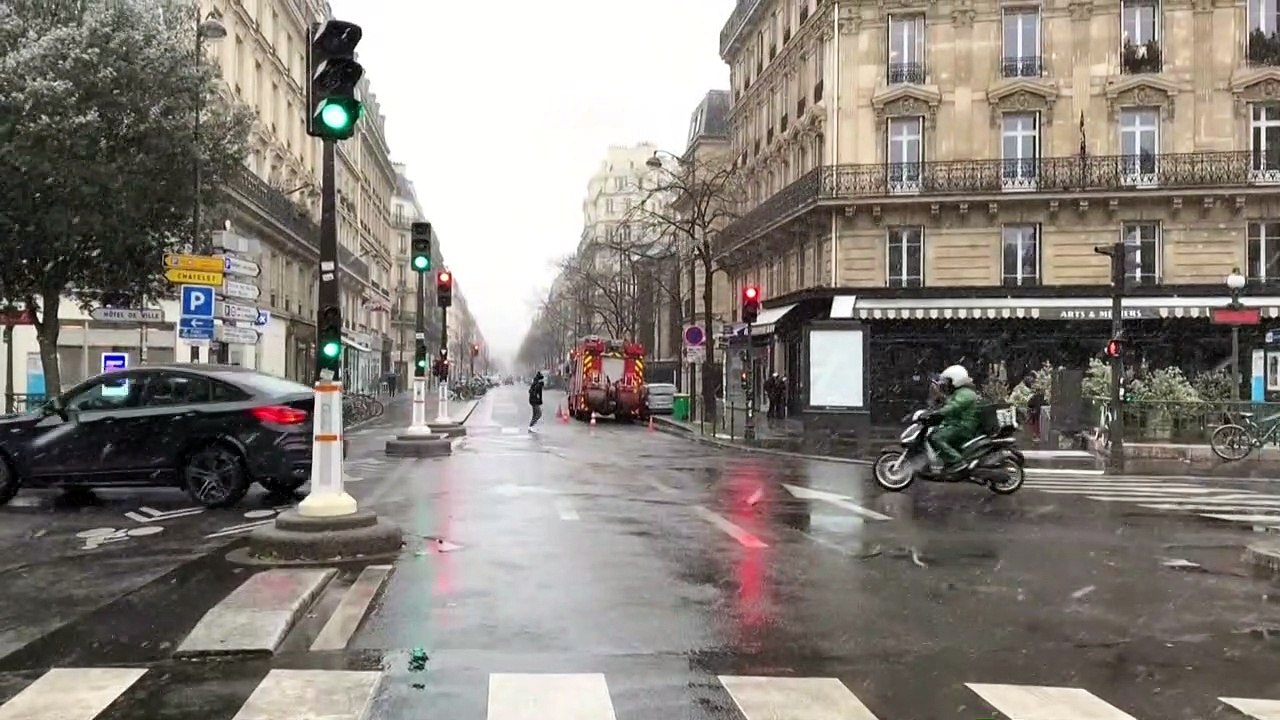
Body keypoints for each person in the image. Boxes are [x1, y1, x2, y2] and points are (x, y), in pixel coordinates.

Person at [929, 364, 982, 472]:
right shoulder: (960, 392)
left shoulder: (966, 393)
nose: (947, 384)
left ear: (956, 380)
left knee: (937, 438)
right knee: (934, 432)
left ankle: (957, 462)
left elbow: (954, 406)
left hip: (963, 426)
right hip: (957, 424)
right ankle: (950, 463)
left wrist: (939, 413)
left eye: (949, 381)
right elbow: (949, 403)